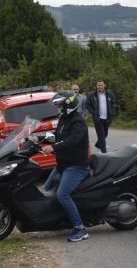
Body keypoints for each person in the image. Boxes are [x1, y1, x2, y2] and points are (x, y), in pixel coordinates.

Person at [41, 91, 90, 242]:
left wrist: (54, 147)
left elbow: (72, 141)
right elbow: (59, 136)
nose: (58, 109)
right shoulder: (64, 119)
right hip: (63, 164)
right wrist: (39, 138)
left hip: (76, 166)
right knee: (46, 189)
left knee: (62, 194)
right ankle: (55, 219)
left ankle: (80, 228)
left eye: (60, 105)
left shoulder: (78, 122)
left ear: (68, 105)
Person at [84, 80, 117, 153]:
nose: (100, 87)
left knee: (105, 134)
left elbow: (113, 104)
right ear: (97, 86)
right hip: (98, 118)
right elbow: (87, 104)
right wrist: (93, 112)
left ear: (104, 85)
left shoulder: (109, 94)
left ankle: (98, 145)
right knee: (101, 136)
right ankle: (104, 152)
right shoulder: (92, 95)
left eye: (101, 85)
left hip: (107, 118)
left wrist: (112, 113)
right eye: (99, 85)